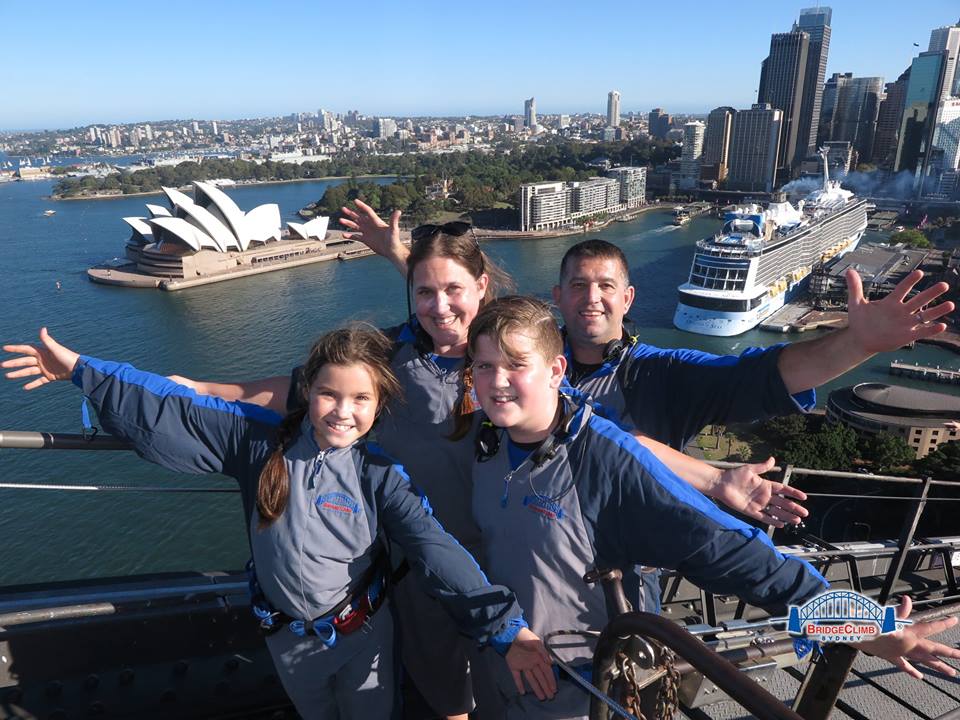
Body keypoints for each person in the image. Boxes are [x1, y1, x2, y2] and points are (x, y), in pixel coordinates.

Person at [1, 326, 557, 720]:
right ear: (307, 392)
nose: (343, 411)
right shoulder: (261, 443)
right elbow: (172, 405)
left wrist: (506, 628)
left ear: (379, 403)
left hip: (362, 637)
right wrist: (80, 370)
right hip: (285, 638)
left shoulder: (380, 473)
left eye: (360, 398)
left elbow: (436, 548)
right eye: (328, 394)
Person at [464, 295, 960, 719]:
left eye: (515, 364)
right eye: (484, 366)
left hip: (584, 690)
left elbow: (745, 559)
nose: (498, 380)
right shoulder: (491, 435)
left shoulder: (605, 462)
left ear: (555, 370)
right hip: (504, 667)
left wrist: (873, 630)